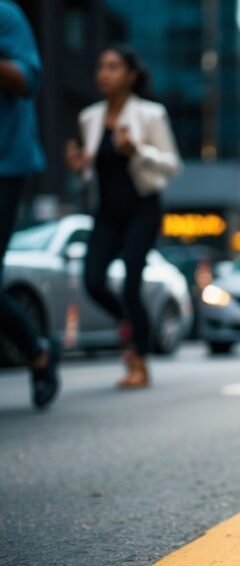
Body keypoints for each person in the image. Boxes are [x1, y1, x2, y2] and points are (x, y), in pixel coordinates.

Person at [66, 45, 180, 389]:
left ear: (130, 75)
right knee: (93, 281)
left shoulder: (150, 115)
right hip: (107, 211)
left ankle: (139, 361)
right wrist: (81, 167)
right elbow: (94, 171)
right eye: (101, 66)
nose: (104, 73)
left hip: (142, 206)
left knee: (132, 283)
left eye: (113, 67)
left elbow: (172, 164)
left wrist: (137, 151)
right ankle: (127, 323)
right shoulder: (90, 117)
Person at [0, 0, 60, 408]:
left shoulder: (5, 15)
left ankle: (37, 350)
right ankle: (37, 348)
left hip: (4, 163)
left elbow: (26, 80)